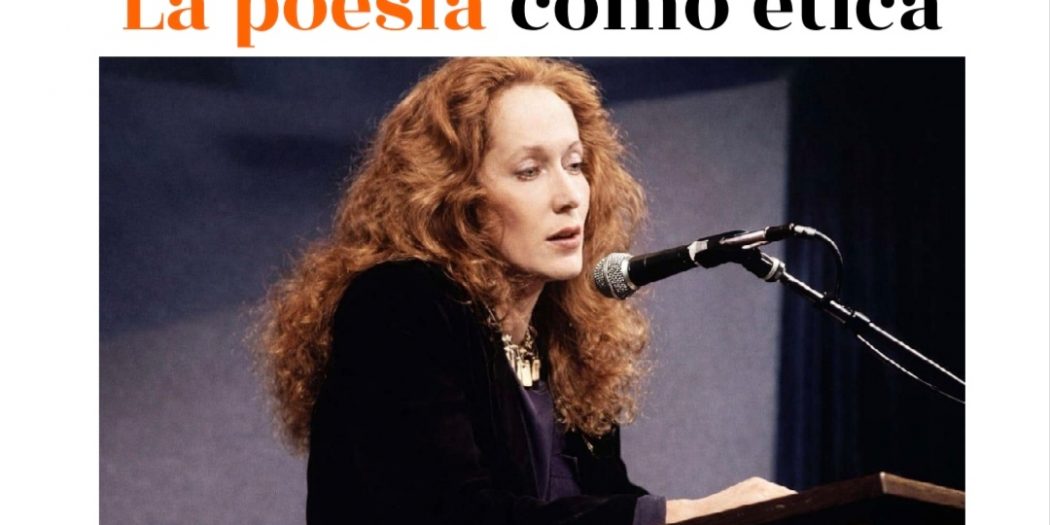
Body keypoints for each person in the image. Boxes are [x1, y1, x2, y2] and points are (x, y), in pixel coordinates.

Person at [257, 57, 793, 525]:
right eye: (530, 171)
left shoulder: (560, 335)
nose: (569, 196)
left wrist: (729, 515)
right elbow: (456, 514)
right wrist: (680, 515)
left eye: (575, 164)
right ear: (453, 195)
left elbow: (602, 500)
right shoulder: (398, 304)